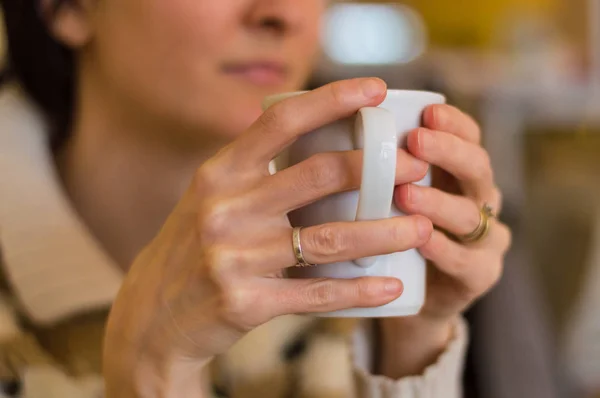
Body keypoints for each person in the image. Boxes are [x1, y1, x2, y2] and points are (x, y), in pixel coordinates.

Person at [0, 0, 511, 397]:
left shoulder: (343, 260)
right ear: (65, 7)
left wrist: (410, 340)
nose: (284, 14)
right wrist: (151, 375)